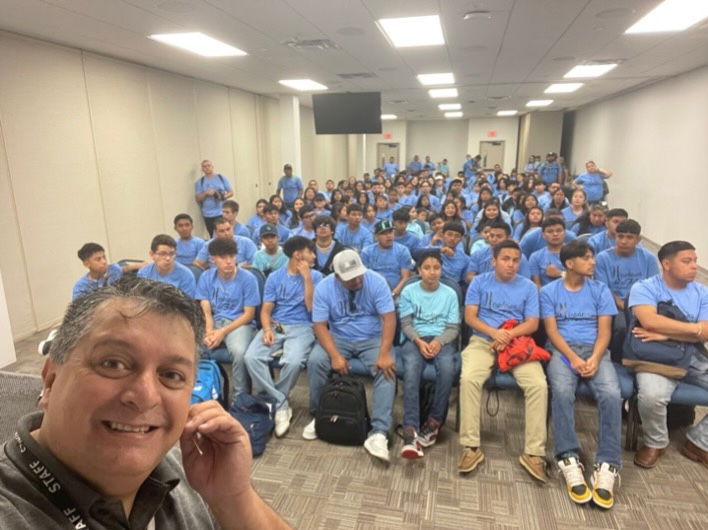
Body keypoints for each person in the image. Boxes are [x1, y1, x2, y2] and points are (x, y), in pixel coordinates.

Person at [0, 276, 289, 529]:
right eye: (113, 364)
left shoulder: (186, 469)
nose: (146, 396)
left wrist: (235, 499)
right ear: (50, 380)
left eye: (172, 375)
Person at [540, 240, 621, 509]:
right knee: (562, 392)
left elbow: (605, 331)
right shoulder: (550, 291)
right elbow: (552, 332)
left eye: (592, 257)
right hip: (563, 352)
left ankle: (608, 463)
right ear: (570, 263)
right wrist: (573, 358)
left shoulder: (600, 290)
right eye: (586, 258)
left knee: (611, 394)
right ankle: (568, 456)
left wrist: (595, 358)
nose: (593, 262)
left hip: (596, 350)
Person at [459, 240, 549, 482]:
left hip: (517, 342)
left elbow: (532, 323)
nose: (511, 264)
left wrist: (508, 334)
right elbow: (470, 317)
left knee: (538, 385)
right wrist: (494, 333)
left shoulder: (529, 287)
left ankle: (533, 452)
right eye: (506, 259)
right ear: (494, 261)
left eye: (516, 260)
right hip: (483, 339)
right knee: (469, 379)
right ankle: (471, 447)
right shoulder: (479, 282)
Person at [304, 250, 397, 462]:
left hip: (372, 338)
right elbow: (319, 325)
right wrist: (335, 355)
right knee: (316, 360)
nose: (357, 280)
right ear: (337, 276)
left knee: (387, 368)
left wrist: (384, 352)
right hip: (339, 337)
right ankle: (321, 415)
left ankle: (379, 432)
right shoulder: (325, 287)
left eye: (359, 275)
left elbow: (389, 318)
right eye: (350, 278)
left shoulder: (376, 282)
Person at [627, 240, 708, 469]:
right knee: (652, 396)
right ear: (666, 264)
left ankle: (699, 442)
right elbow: (649, 321)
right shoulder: (645, 287)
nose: (694, 266)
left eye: (695, 261)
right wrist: (694, 330)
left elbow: (706, 333)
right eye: (687, 261)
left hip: (693, 356)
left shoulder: (702, 292)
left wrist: (667, 333)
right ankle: (656, 442)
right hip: (657, 355)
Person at [244, 236, 323, 438]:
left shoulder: (316, 277)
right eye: (310, 251)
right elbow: (266, 310)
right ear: (298, 254)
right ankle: (281, 402)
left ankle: (274, 402)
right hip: (277, 325)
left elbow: (311, 308)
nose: (314, 255)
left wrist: (306, 278)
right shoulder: (275, 277)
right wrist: (267, 329)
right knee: (251, 357)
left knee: (294, 362)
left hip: (303, 326)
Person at [398, 251, 460, 459]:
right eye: (427, 268)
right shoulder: (409, 291)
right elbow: (406, 323)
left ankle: (434, 423)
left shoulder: (450, 293)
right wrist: (418, 341)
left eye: (436, 268)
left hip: (442, 339)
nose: (432, 272)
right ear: (418, 270)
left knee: (448, 369)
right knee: (412, 369)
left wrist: (438, 341)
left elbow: (453, 327)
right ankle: (410, 429)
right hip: (415, 338)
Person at [196, 238, 260, 398]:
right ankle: (201, 392)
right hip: (215, 322)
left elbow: (249, 314)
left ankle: (240, 396)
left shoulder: (248, 278)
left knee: (239, 352)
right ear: (213, 259)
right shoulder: (206, 277)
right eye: (223, 257)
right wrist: (209, 331)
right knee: (192, 347)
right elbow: (206, 310)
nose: (229, 261)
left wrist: (222, 332)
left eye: (232, 256)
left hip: (239, 323)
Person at [594, 219, 659, 361]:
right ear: (615, 237)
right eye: (620, 236)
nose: (624, 241)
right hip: (615, 305)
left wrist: (639, 308)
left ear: (638, 239)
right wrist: (625, 306)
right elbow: (604, 289)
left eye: (629, 237)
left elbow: (653, 288)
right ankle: (618, 360)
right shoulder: (603, 258)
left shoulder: (648, 258)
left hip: (642, 304)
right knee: (622, 327)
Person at [72, 242, 144, 300]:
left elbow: (124, 268)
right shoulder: (81, 287)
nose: (104, 262)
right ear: (87, 264)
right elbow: (79, 311)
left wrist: (141, 265)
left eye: (104, 257)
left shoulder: (113, 270)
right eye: (98, 259)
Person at [466, 220, 531, 282]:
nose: (494, 239)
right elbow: (469, 277)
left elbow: (525, 281)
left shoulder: (519, 257)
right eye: (492, 236)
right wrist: (490, 283)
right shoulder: (478, 254)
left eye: (499, 236)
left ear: (509, 238)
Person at [361, 220, 413, 298]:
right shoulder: (367, 252)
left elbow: (405, 277)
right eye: (384, 233)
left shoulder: (402, 251)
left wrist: (393, 293)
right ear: (376, 236)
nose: (388, 236)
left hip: (396, 294)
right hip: (372, 293)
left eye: (390, 232)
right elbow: (364, 278)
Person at [194, 160, 233, 237]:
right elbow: (198, 198)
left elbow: (231, 192)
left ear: (212, 167)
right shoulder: (200, 182)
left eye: (208, 165)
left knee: (226, 233)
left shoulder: (221, 178)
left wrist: (222, 197)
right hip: (208, 214)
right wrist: (206, 193)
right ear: (202, 169)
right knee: (213, 235)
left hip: (222, 212)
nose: (207, 168)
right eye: (204, 166)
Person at [529, 217, 567, 288]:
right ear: (543, 235)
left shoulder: (576, 253)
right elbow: (537, 286)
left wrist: (560, 273)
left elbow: (583, 279)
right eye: (550, 231)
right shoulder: (535, 257)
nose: (555, 234)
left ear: (565, 233)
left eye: (559, 231)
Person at [439, 221, 470, 286]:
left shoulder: (466, 259)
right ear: (442, 235)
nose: (452, 238)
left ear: (461, 239)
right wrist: (439, 250)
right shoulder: (431, 252)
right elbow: (416, 253)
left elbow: (464, 282)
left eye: (457, 236)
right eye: (449, 234)